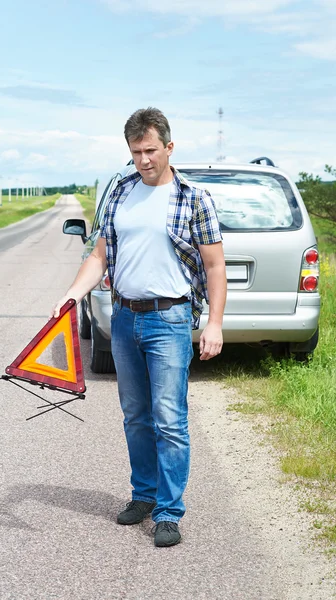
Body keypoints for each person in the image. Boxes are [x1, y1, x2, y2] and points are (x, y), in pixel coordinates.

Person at [51, 107, 227, 547]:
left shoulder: (193, 198)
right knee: (135, 417)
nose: (143, 160)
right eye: (135, 152)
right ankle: (144, 495)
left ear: (169, 147)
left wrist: (215, 324)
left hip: (169, 319)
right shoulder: (121, 193)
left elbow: (215, 265)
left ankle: (169, 512)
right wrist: (73, 294)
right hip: (125, 318)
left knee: (169, 419)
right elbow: (99, 256)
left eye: (151, 150)